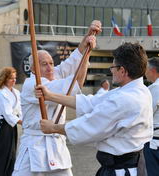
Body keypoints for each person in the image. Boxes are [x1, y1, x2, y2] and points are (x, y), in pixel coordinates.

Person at [37, 42, 153, 176]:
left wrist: (53, 128)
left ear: (122, 70)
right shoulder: (138, 90)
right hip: (125, 165)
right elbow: (91, 102)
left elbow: (89, 125)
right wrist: (50, 96)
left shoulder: (125, 99)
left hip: (121, 170)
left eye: (113, 66)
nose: (111, 70)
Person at [12, 20, 101, 176]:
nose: (50, 67)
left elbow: (73, 62)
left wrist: (87, 39)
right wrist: (88, 55)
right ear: (33, 69)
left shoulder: (53, 74)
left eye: (52, 63)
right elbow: (77, 83)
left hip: (55, 143)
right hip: (34, 144)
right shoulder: (33, 83)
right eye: (44, 64)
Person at [143, 57, 159, 176]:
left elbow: (145, 116)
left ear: (153, 70)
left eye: (146, 69)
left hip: (154, 142)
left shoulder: (154, 88)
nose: (145, 72)